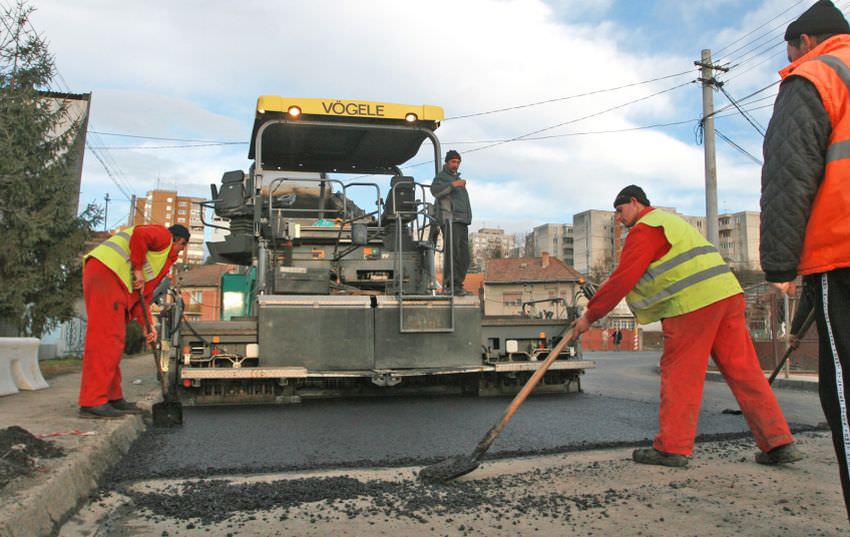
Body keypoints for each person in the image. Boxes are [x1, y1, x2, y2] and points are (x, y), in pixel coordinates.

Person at [572, 185, 801, 468]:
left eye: (620, 211)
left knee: (680, 374)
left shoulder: (647, 228)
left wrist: (589, 317)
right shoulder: (673, 224)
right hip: (727, 296)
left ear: (634, 202)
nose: (619, 218)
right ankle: (778, 443)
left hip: (693, 305)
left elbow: (623, 279)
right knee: (745, 372)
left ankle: (673, 447)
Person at [759, 0, 850, 520]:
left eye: (789, 48)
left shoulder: (815, 76)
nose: (788, 58)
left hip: (842, 260)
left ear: (806, 41)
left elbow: (789, 175)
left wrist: (779, 269)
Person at [78, 224, 189, 419]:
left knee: (114, 340)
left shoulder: (161, 260)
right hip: (107, 273)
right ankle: (93, 401)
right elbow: (140, 234)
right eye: (183, 246)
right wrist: (137, 270)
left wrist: (147, 326)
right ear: (178, 240)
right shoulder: (163, 236)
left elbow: (143, 296)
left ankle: (112, 397)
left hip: (113, 278)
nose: (181, 251)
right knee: (106, 339)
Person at [430, 150, 471, 296]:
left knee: (464, 255)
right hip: (450, 220)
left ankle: (458, 284)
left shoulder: (455, 179)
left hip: (462, 221)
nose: (456, 165)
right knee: (452, 253)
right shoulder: (442, 178)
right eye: (453, 162)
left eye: (458, 162)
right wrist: (454, 185)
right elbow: (435, 191)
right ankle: (450, 285)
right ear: (447, 163)